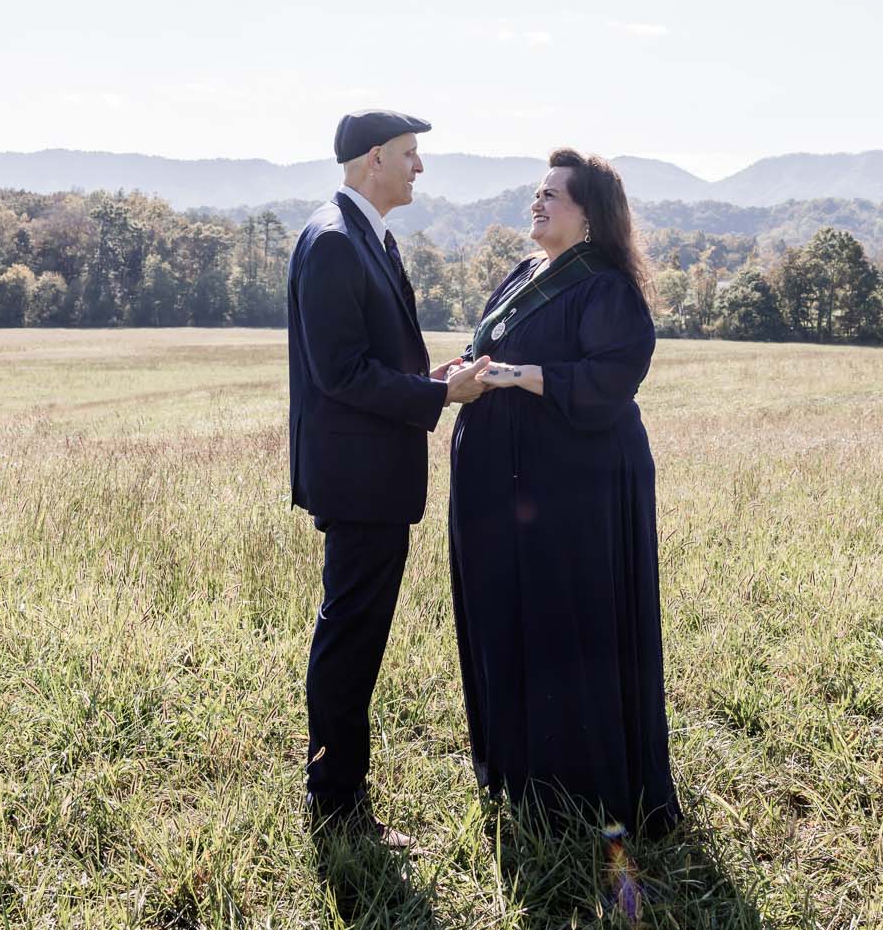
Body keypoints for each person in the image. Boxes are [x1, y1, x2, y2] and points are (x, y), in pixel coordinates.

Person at [446, 148, 678, 835]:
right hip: (506, 482)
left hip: (569, 490)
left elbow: (611, 378)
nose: (537, 204)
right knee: (511, 618)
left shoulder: (606, 287)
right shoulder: (526, 272)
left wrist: (523, 376)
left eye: (553, 195)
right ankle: (520, 772)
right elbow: (492, 351)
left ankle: (574, 794)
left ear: (589, 215)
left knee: (563, 625)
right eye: (537, 193)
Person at [288, 110, 493, 846]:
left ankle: (335, 793)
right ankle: (335, 805)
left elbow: (372, 362)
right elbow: (340, 373)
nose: (420, 167)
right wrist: (441, 397)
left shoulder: (368, 235)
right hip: (358, 479)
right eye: (411, 154)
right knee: (350, 636)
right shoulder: (336, 241)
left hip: (372, 473)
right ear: (374, 157)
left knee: (357, 632)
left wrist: (435, 378)